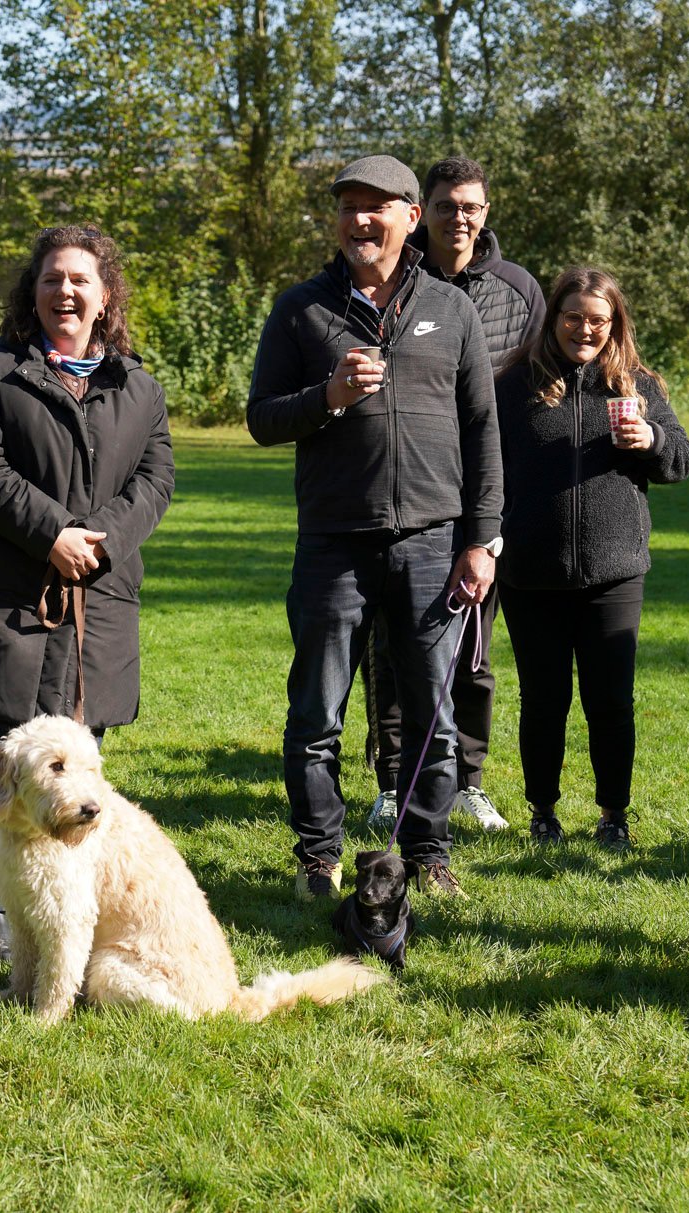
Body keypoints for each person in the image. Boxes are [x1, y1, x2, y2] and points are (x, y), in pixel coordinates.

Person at [247, 154, 502, 902]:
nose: (360, 219)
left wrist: (481, 538)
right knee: (316, 714)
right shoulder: (302, 309)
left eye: (377, 206)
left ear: (411, 217)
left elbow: (482, 430)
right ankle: (317, 857)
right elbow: (261, 418)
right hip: (333, 542)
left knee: (434, 715)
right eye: (348, 206)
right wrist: (326, 397)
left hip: (431, 541)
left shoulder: (450, 309)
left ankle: (428, 852)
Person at [0, 226, 175, 960]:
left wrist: (99, 541)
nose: (65, 292)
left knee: (83, 757)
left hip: (98, 596)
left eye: (80, 280)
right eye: (51, 279)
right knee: (10, 755)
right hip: (14, 596)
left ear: (106, 296)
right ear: (32, 293)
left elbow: (156, 480)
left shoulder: (139, 386)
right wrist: (54, 535)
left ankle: (71, 907)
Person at [364, 155, 546, 836]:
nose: (458, 218)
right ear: (423, 212)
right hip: (406, 491)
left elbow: (541, 386)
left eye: (471, 206)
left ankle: (467, 781)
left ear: (485, 213)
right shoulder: (393, 278)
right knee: (391, 648)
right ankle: (393, 782)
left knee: (471, 648)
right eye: (446, 205)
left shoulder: (517, 289)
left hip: (486, 499)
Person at [494, 266, 689, 850]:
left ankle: (613, 816)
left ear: (615, 324)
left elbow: (682, 461)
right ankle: (543, 813)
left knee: (610, 701)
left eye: (598, 320)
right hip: (531, 572)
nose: (585, 329)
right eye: (574, 317)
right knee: (543, 701)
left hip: (614, 572)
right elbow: (481, 468)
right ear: (553, 318)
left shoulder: (638, 384)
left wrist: (652, 440)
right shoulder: (513, 384)